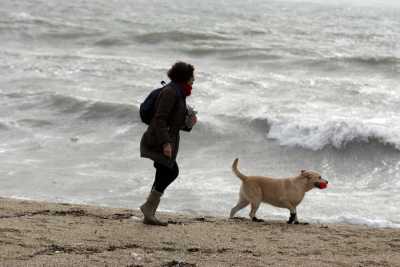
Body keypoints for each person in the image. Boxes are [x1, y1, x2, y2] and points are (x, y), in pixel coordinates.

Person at [139, 61, 197, 226]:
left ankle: (149, 213)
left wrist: (188, 123)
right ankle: (148, 208)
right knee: (171, 172)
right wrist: (165, 143)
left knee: (163, 172)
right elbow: (160, 119)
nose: (193, 80)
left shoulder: (179, 93)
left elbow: (174, 121)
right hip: (158, 140)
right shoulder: (171, 92)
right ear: (184, 77)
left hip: (167, 139)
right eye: (192, 77)